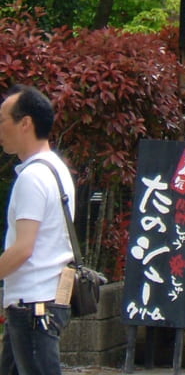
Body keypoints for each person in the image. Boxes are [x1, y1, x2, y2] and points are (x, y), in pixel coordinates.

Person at [0, 85, 76, 375]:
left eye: (2, 119)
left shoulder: (33, 177)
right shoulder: (56, 169)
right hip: (41, 301)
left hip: (33, 305)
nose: (0, 128)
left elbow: (22, 248)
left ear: (25, 123)